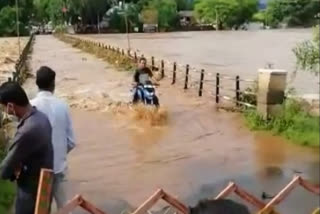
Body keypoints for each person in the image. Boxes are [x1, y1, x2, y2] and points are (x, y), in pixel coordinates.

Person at [0, 82, 53, 214]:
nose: (4, 111)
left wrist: (11, 170)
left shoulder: (27, 131)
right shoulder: (41, 117)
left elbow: (5, 168)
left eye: (3, 107)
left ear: (11, 106)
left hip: (30, 192)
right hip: (44, 186)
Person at [30, 66, 76, 210]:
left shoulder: (30, 106)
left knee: (41, 208)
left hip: (38, 171)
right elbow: (71, 141)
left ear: (36, 84)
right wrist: (59, 154)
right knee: (64, 207)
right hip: (59, 168)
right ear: (53, 84)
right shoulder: (62, 106)